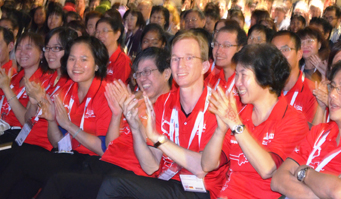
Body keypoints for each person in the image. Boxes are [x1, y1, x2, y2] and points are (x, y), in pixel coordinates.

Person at [96, 31, 228, 199]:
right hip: (167, 182)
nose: (180, 65)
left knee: (114, 184)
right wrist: (136, 130)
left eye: (189, 58)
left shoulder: (217, 106)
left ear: (204, 66)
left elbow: (202, 167)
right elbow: (151, 166)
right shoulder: (164, 102)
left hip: (201, 190)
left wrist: (158, 139)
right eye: (175, 58)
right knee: (115, 186)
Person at [36, 47, 172, 199]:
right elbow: (111, 145)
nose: (141, 78)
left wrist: (137, 124)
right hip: (106, 163)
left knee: (58, 183)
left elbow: (151, 167)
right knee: (52, 174)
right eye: (138, 74)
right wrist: (116, 114)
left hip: (128, 174)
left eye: (147, 72)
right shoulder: (136, 101)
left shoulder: (169, 109)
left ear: (166, 73)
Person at [0, 36, 112, 199]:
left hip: (93, 163)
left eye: (83, 59)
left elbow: (104, 149)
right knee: (23, 169)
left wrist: (69, 126)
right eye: (72, 58)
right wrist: (52, 120)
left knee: (31, 167)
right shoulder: (67, 91)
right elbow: (57, 142)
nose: (76, 65)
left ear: (97, 64)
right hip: (67, 155)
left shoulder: (105, 94)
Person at [202, 43, 309, 198]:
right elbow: (207, 164)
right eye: (236, 74)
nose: (237, 83)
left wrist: (236, 124)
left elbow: (268, 169)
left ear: (266, 77)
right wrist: (220, 130)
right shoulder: (240, 111)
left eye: (243, 75)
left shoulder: (293, 120)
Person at [271, 59, 341, 198]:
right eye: (332, 86)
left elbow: (339, 192)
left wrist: (303, 172)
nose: (332, 95)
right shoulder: (319, 132)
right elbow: (278, 180)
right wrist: (322, 193)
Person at [0, 32, 51, 144]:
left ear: (41, 54)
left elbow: (25, 120)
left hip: (18, 136)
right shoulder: (13, 77)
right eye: (19, 48)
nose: (22, 52)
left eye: (28, 48)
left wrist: (6, 88)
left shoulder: (44, 82)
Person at [271, 31, 321, 125]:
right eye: (274, 51)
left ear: (299, 54)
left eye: (285, 49)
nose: (279, 55)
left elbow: (310, 134)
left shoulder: (313, 92)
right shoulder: (265, 87)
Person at [208, 26, 247, 108]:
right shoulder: (211, 78)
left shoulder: (246, 83)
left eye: (226, 46)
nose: (218, 50)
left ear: (240, 48)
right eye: (216, 44)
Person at [94, 17, 131, 83]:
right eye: (97, 31)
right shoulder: (94, 56)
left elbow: (117, 90)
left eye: (105, 31)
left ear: (117, 34)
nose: (99, 35)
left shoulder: (123, 61)